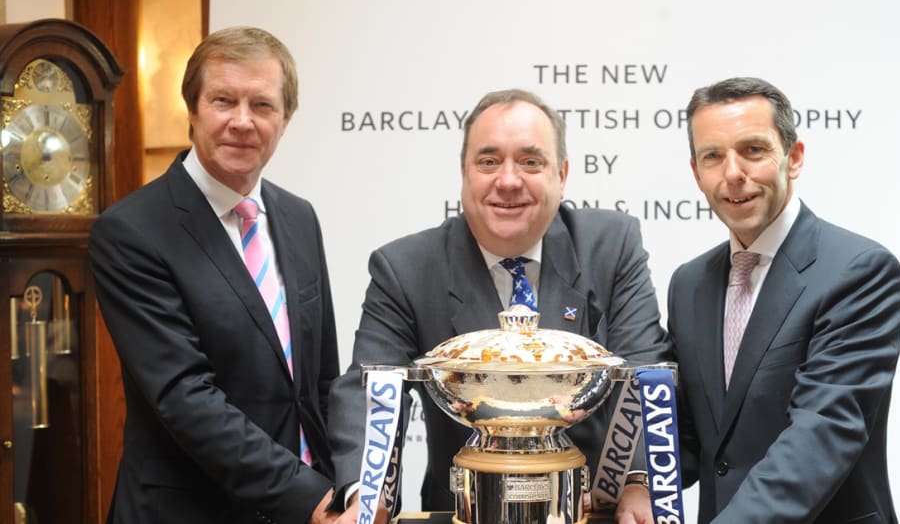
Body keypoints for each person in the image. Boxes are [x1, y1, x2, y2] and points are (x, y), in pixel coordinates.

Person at [327, 88, 671, 523]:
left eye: (531, 162)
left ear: (561, 174)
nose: (508, 181)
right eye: (488, 162)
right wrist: (366, 495)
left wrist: (639, 482)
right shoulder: (405, 268)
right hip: (462, 512)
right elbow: (371, 388)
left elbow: (644, 373)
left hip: (592, 511)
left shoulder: (611, 245)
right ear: (464, 174)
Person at [90, 26, 340, 524]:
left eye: (263, 105)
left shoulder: (298, 217)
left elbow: (321, 380)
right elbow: (186, 398)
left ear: (286, 119)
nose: (242, 122)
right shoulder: (130, 232)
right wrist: (306, 496)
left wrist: (346, 485)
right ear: (193, 110)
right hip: (190, 510)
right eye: (224, 100)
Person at [668, 76, 900, 523]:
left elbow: (822, 434)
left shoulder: (859, 271)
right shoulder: (688, 284)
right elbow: (689, 439)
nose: (733, 173)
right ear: (697, 172)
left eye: (753, 150)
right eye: (713, 156)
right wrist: (628, 484)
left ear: (793, 158)